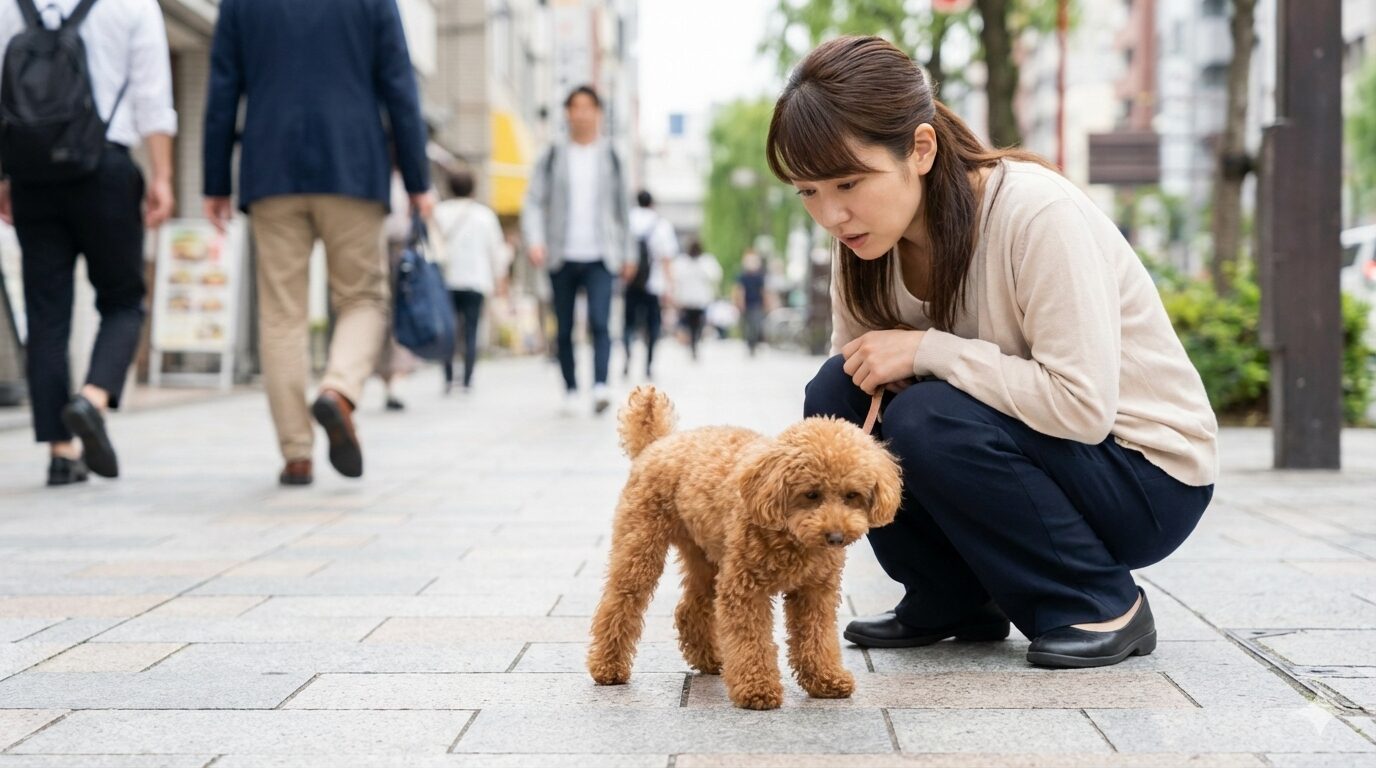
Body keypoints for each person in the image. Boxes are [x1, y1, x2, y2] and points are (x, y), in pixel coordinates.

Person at [772, 37, 1217, 668]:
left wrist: (930, 350)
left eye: (848, 181)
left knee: (926, 415)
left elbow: (1082, 407)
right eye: (808, 192)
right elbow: (863, 384)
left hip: (1143, 476)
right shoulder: (864, 243)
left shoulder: (1036, 212)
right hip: (1043, 453)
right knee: (839, 391)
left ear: (920, 149)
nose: (832, 214)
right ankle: (951, 596)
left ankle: (1098, 602)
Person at [203, 0, 433, 486]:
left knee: (281, 312)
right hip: (353, 164)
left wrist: (215, 181)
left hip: (270, 167)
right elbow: (399, 86)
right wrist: (417, 179)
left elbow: (223, 89)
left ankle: (296, 453)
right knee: (363, 296)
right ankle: (339, 390)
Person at [0, 0, 176, 486]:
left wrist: (5, 176)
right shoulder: (133, 5)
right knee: (123, 300)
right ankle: (92, 399)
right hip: (106, 169)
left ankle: (60, 451)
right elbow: (153, 99)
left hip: (33, 177)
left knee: (46, 313)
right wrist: (163, 176)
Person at [520, 85, 630, 415]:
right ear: (567, 113)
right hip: (561, 253)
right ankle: (569, 388)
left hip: (601, 254)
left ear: (598, 113)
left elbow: (623, 210)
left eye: (588, 107)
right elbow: (533, 201)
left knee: (600, 321)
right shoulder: (553, 155)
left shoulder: (611, 156)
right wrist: (535, 240)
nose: (581, 114)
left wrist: (629, 253)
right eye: (575, 107)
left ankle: (600, 385)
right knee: (564, 327)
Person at [433, 168, 506, 394]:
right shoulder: (484, 215)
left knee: (449, 330)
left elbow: (430, 247)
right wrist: (499, 280)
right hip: (476, 279)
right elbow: (496, 251)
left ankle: (448, 377)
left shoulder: (439, 213)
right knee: (471, 330)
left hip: (446, 280)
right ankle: (467, 378)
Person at [376, 168, 418, 411]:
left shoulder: (408, 178)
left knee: (397, 314)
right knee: (376, 312)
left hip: (402, 253)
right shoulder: (405, 178)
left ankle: (396, 378)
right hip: (374, 248)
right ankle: (388, 378)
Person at [623, 190, 676, 381]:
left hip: (629, 280)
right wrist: (670, 286)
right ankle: (648, 365)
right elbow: (666, 258)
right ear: (652, 204)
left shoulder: (628, 220)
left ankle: (627, 357)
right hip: (654, 283)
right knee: (653, 325)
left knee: (628, 324)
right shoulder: (661, 224)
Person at [670, 241, 721, 361]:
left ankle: (694, 343)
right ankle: (693, 344)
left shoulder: (705, 262)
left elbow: (715, 275)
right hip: (689, 300)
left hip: (698, 300)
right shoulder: (683, 262)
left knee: (697, 325)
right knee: (692, 325)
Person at [734, 249, 769, 355]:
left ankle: (753, 344)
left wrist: (766, 302)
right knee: (748, 325)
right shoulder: (743, 276)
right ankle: (750, 344)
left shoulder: (760, 276)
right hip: (746, 304)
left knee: (756, 324)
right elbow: (739, 290)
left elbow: (763, 291)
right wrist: (739, 303)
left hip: (757, 303)